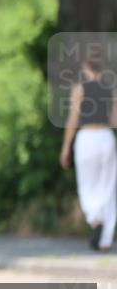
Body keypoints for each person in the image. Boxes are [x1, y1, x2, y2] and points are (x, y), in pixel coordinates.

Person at [60, 56, 116, 251]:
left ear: (85, 67)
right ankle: (106, 240)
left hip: (87, 138)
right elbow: (115, 120)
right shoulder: (111, 89)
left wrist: (66, 146)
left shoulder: (79, 89)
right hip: (107, 137)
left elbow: (73, 119)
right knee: (108, 187)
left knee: (87, 184)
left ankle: (95, 218)